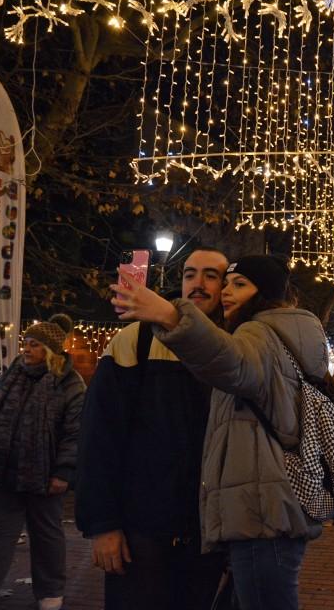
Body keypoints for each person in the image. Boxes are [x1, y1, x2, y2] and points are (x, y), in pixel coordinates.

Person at [111, 254, 329, 610]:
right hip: (272, 506)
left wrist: (170, 314)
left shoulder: (260, 331)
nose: (227, 292)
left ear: (266, 294)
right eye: (226, 283)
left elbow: (232, 363)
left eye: (239, 285)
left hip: (263, 513)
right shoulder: (291, 332)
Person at [76, 247, 229, 610]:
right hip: (140, 532)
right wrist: (102, 525)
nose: (198, 284)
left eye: (211, 275)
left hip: (209, 535)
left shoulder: (239, 349)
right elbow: (99, 438)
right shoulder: (136, 341)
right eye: (190, 274)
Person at [0, 315, 85, 610]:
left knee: (47, 536)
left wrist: (64, 472)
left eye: (34, 344)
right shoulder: (14, 371)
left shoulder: (69, 382)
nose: (26, 349)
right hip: (2, 469)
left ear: (50, 350)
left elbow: (75, 431)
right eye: (25, 343)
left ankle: (50, 592)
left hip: (44, 472)